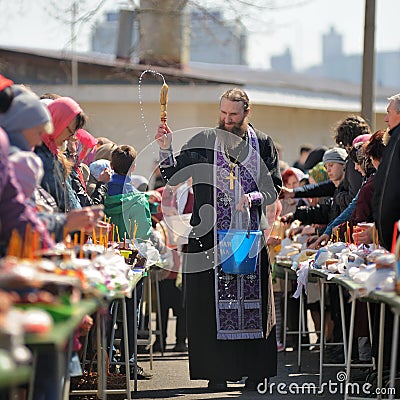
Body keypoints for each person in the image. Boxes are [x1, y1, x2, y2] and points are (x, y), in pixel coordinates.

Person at [155, 88, 281, 391]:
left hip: (247, 234)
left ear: (246, 113)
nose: (226, 120)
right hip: (209, 238)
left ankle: (254, 373)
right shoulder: (204, 140)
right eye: (223, 113)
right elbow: (173, 175)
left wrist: (252, 197)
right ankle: (217, 372)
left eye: (233, 115)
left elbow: (273, 187)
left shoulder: (263, 143)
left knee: (253, 304)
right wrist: (165, 147)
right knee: (209, 306)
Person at [104, 144, 153, 379]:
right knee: (132, 312)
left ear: (111, 166)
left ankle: (107, 359)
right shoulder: (139, 199)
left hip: (108, 254)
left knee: (108, 311)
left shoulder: (101, 195)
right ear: (133, 167)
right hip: (133, 255)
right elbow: (145, 231)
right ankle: (129, 362)